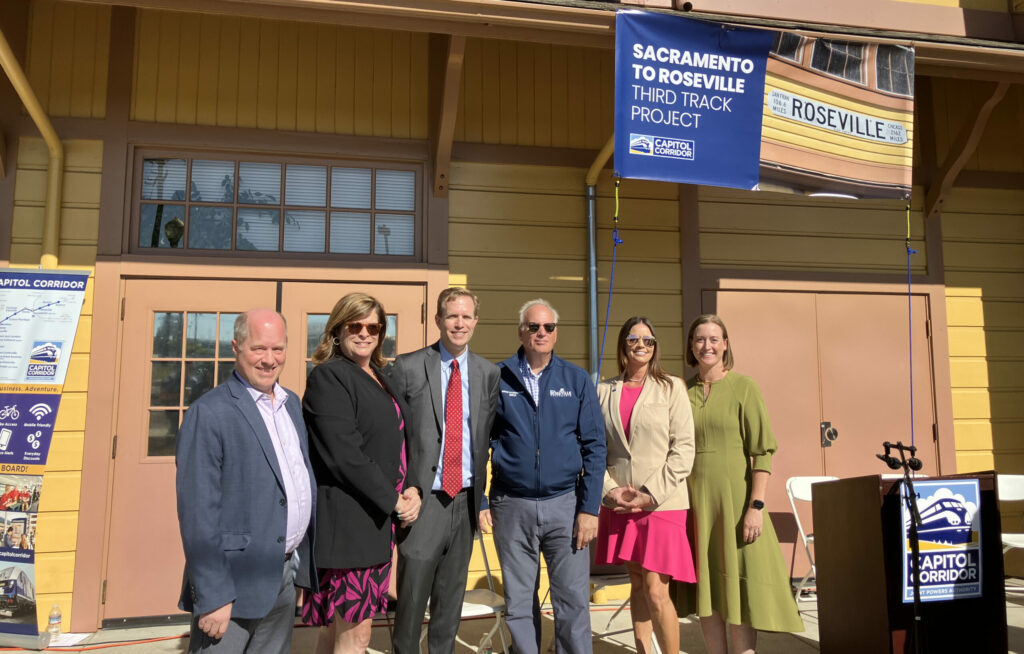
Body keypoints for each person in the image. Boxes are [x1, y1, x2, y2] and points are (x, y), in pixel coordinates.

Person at [176, 309, 316, 654]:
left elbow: (294, 484)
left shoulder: (291, 405)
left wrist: (299, 569)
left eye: (278, 349)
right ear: (236, 347)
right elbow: (198, 514)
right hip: (232, 588)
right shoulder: (209, 413)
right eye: (259, 349)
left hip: (282, 575)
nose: (270, 360)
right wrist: (214, 595)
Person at [480, 298, 606, 654]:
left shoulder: (575, 379)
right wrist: (482, 500)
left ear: (556, 333)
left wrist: (589, 509)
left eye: (548, 327)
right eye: (533, 326)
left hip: (565, 506)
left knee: (573, 602)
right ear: (521, 331)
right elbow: (479, 443)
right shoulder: (497, 376)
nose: (541, 332)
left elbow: (595, 447)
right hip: (511, 505)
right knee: (520, 604)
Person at [676, 314, 803, 654]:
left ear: (726, 344)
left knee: (738, 590)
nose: (707, 345)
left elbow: (762, 453)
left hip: (735, 506)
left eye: (714, 339)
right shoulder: (681, 392)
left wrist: (756, 507)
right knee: (709, 589)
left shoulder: (745, 388)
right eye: (700, 339)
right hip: (695, 506)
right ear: (691, 346)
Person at [302, 292, 421, 654]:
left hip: (376, 522)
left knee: (338, 631)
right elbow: (344, 455)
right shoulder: (330, 377)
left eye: (374, 326)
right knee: (356, 636)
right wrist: (394, 502)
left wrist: (412, 486)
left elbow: (402, 441)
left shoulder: (381, 377)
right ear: (337, 330)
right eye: (355, 325)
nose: (365, 333)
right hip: (350, 525)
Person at [388, 288, 500, 653]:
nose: (460, 323)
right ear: (438, 320)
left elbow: (486, 437)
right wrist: (402, 488)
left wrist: (483, 498)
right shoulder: (407, 367)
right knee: (410, 608)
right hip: (424, 503)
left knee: (449, 609)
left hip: (465, 502)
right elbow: (389, 436)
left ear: (476, 322)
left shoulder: (487, 373)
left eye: (467, 316)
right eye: (452, 315)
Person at [595, 317, 696, 654]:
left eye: (649, 340)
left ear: (655, 347)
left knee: (656, 588)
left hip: (661, 502)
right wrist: (610, 490)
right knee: (636, 583)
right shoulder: (603, 389)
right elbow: (594, 448)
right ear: (623, 343)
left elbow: (683, 448)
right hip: (621, 502)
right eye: (634, 338)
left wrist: (650, 495)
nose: (641, 345)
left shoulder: (671, 387)